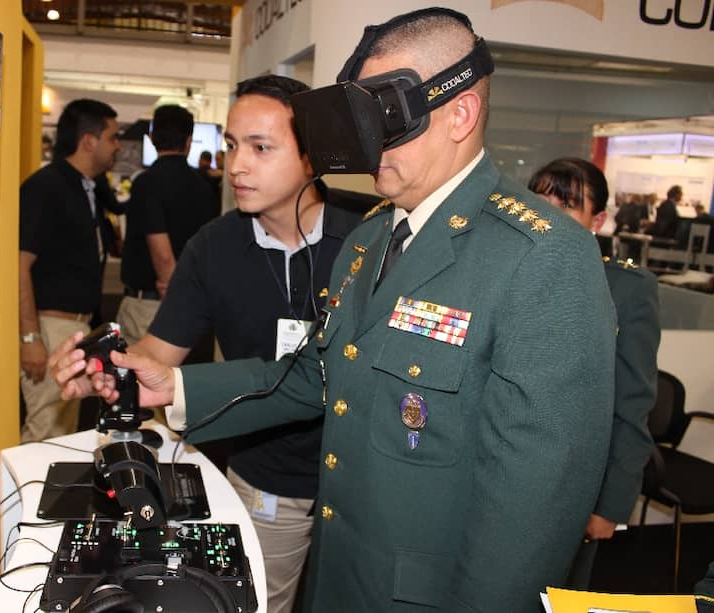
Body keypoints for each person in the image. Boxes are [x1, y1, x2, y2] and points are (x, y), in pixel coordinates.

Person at [53, 8, 617, 612]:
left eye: (388, 119)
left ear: (462, 114)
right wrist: (174, 386)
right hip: (340, 577)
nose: (370, 142)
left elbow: (534, 506)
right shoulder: (373, 238)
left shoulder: (543, 255)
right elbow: (317, 378)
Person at [51, 74, 371, 613]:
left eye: (260, 147)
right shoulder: (214, 246)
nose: (238, 164)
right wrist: (110, 369)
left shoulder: (371, 237)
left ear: (313, 156)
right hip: (266, 476)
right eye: (231, 145)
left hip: (366, 479)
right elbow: (158, 353)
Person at [529, 157, 660, 589]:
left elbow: (631, 402)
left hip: (571, 487)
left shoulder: (625, 289)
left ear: (597, 220)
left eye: (566, 205)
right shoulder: (507, 273)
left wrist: (610, 504)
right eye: (538, 200)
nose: (547, 214)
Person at [19, 99, 122, 442]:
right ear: (89, 141)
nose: (117, 146)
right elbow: (19, 265)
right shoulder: (45, 187)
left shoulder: (86, 187)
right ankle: (24, 497)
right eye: (113, 137)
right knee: (44, 430)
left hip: (76, 326)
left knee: (61, 432)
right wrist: (31, 338)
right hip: (50, 327)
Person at [117, 104, 219, 345]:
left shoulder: (146, 183)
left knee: (140, 377)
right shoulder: (204, 187)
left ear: (152, 139)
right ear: (188, 141)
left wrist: (173, 296)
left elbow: (161, 250)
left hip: (154, 304)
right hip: (194, 303)